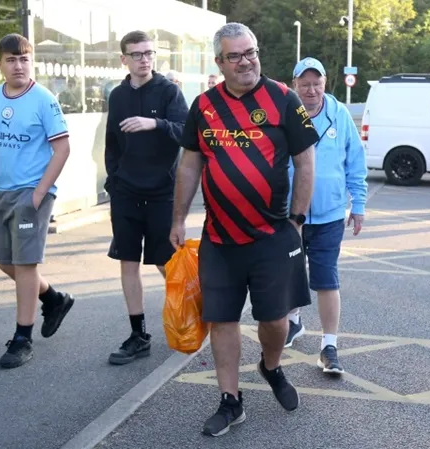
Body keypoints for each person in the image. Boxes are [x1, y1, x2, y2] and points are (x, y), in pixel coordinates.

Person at [170, 22, 318, 437]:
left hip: (274, 235)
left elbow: (306, 160)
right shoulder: (203, 106)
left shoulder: (283, 99)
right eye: (235, 55)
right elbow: (189, 163)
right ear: (219, 62)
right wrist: (178, 219)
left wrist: (297, 218)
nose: (246, 61)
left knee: (275, 320)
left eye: (250, 52)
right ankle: (231, 401)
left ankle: (270, 366)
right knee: (222, 321)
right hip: (219, 237)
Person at [0, 33, 74, 369]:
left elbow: (62, 149)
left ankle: (22, 337)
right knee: (2, 259)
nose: (18, 65)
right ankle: (52, 298)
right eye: (11, 59)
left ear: (30, 61)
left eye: (23, 59)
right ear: (0, 64)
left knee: (25, 264)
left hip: (32, 193)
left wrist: (38, 194)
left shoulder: (44, 99)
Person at [104, 30, 189, 365]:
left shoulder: (169, 91)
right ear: (124, 59)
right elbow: (112, 142)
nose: (144, 59)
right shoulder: (118, 95)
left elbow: (186, 133)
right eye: (137, 54)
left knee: (164, 261)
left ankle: (189, 315)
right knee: (128, 261)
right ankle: (138, 334)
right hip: (125, 191)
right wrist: (114, 179)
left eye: (149, 53)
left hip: (160, 193)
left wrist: (153, 123)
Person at [285, 57, 368, 374]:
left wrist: (358, 204)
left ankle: (329, 346)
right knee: (289, 275)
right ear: (295, 85)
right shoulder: (286, 114)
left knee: (326, 280)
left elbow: (356, 162)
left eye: (316, 83)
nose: (311, 90)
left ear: (324, 83)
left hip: (331, 214)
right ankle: (293, 322)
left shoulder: (340, 115)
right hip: (292, 215)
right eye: (304, 84)